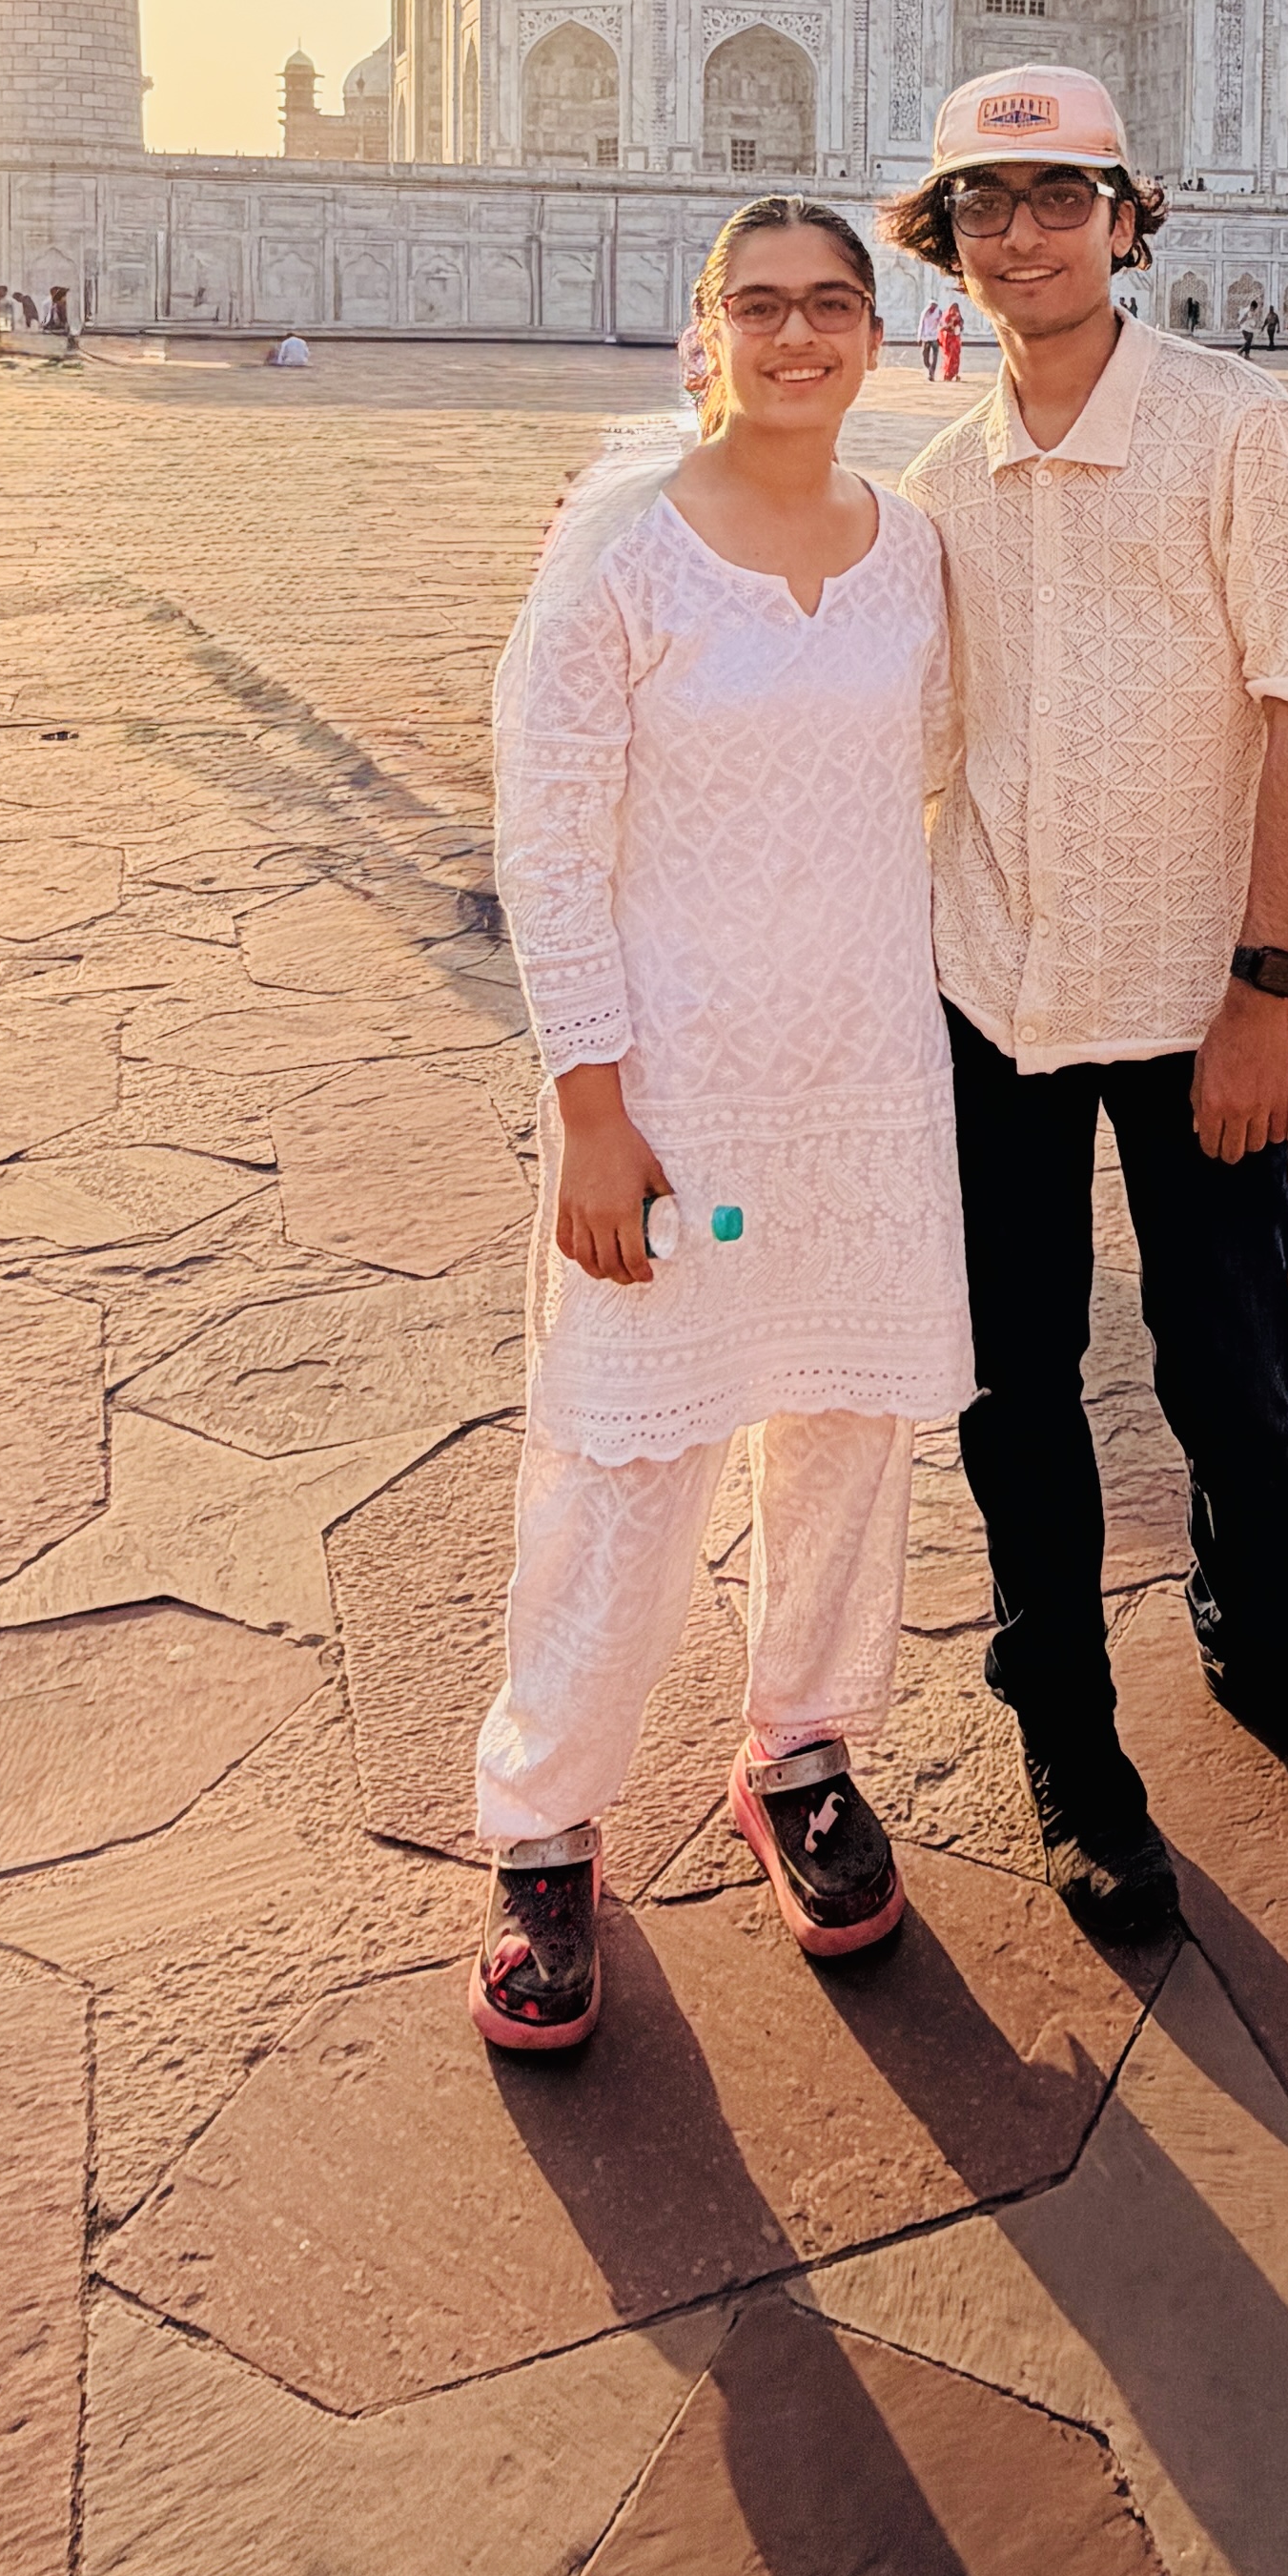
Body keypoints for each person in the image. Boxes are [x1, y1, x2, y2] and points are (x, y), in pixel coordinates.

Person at [887, 62, 1288, 1948]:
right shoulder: (937, 481)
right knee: (1009, 1391)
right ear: (940, 241)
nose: (1018, 232)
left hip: (1194, 997)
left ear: (1125, 215)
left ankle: (1259, 1640)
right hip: (989, 1000)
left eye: (1055, 195)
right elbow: (903, 748)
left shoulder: (1229, 429)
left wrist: (1262, 991)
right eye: (981, 204)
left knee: (1226, 1359)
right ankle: (1065, 1737)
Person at [467, 198, 971, 2055]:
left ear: (873, 333)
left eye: (828, 306)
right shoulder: (620, 547)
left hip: (851, 1093)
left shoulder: (906, 551)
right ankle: (540, 1826)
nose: (795, 338)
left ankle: (802, 1748)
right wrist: (588, 1106)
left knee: (842, 1426)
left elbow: (929, 772)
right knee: (626, 1450)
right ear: (704, 334)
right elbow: (545, 833)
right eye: (757, 307)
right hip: (663, 1103)